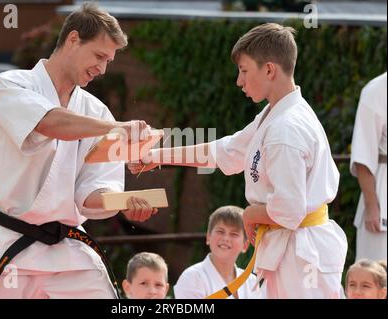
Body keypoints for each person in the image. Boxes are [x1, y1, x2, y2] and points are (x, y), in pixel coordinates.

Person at [129, 23, 348, 298]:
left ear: (269, 69)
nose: (239, 81)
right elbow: (227, 151)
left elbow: (290, 209)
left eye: (244, 71)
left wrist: (251, 213)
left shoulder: (285, 129)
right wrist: (157, 157)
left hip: (304, 254)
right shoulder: (275, 115)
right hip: (291, 247)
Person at [0, 2, 158, 299]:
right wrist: (115, 128)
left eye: (108, 60)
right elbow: (49, 123)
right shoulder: (10, 85)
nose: (103, 68)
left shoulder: (98, 112)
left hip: (67, 249)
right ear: (72, 39)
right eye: (98, 55)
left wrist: (124, 201)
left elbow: (91, 193)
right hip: (9, 241)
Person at [174, 206, 263, 299]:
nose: (225, 238)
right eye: (220, 231)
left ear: (245, 245)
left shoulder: (251, 281)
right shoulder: (192, 278)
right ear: (208, 237)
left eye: (234, 234)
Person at [350, 72, 387, 262]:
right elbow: (362, 155)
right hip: (382, 193)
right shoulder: (375, 90)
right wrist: (372, 205)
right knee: (377, 269)